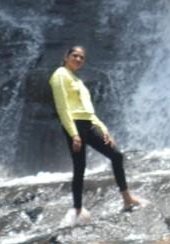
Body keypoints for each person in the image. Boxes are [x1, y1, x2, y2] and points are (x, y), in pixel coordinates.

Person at [49, 46, 144, 227]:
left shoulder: (77, 79)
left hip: (89, 123)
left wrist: (104, 128)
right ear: (66, 57)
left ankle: (127, 198)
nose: (78, 59)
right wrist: (74, 134)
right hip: (74, 125)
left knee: (116, 155)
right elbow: (62, 107)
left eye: (81, 57)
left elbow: (88, 110)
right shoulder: (60, 74)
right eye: (75, 56)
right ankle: (77, 209)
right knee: (80, 167)